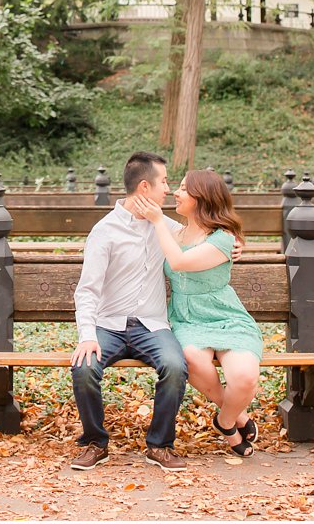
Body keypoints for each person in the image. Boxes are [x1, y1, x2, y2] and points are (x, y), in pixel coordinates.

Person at [69, 150, 190, 471]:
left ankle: (160, 445)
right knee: (84, 368)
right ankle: (95, 442)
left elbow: (204, 239)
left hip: (152, 325)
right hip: (107, 325)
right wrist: (86, 335)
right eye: (163, 182)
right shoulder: (105, 231)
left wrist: (235, 242)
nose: (168, 188)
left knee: (175, 367)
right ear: (144, 188)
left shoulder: (165, 226)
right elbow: (88, 289)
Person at [129, 168, 263, 457]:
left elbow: (177, 262)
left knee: (245, 378)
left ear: (202, 198)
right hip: (186, 317)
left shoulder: (223, 238)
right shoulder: (173, 231)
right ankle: (239, 417)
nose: (175, 193)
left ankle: (225, 421)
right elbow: (141, 223)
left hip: (225, 316)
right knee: (190, 358)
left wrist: (234, 247)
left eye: (183, 189)